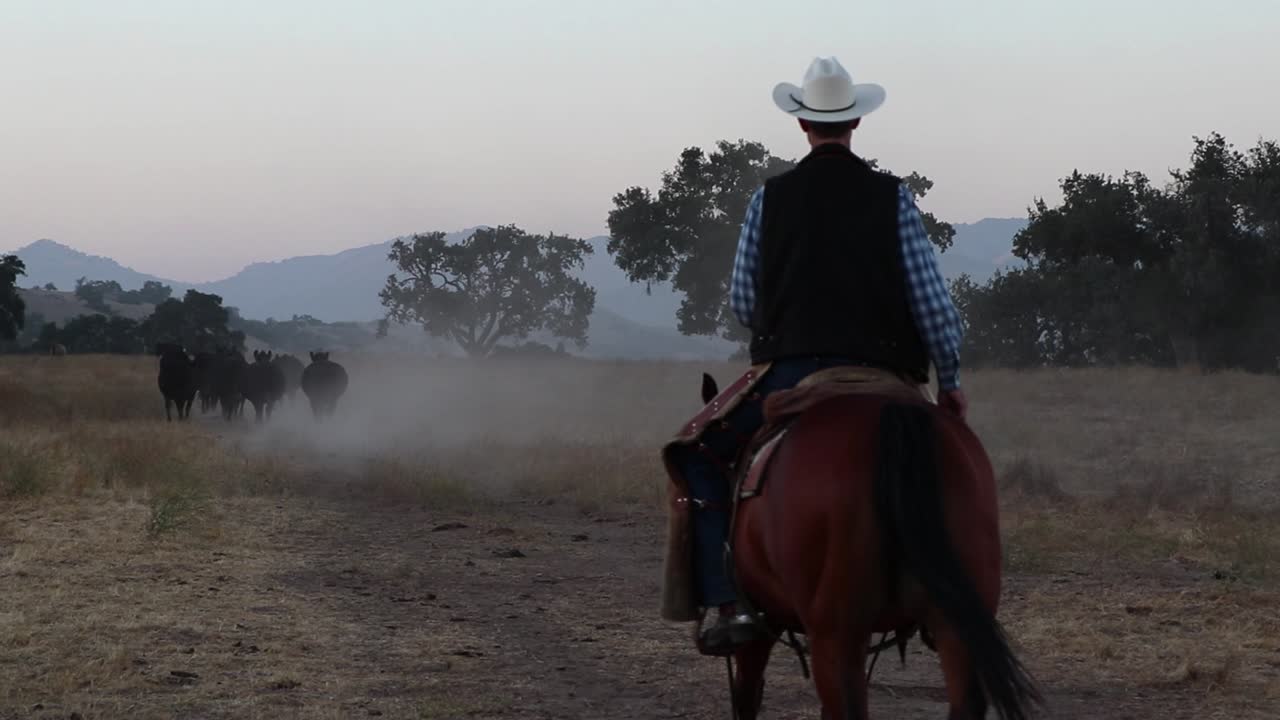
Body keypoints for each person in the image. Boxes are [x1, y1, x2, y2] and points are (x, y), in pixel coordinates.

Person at [672, 56, 968, 656]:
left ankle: (725, 603)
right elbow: (934, 307)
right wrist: (951, 381)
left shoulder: (769, 199)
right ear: (855, 122)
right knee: (952, 473)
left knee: (696, 453)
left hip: (794, 369)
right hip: (887, 373)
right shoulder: (894, 197)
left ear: (803, 125)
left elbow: (744, 301)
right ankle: (948, 604)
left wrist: (787, 325)